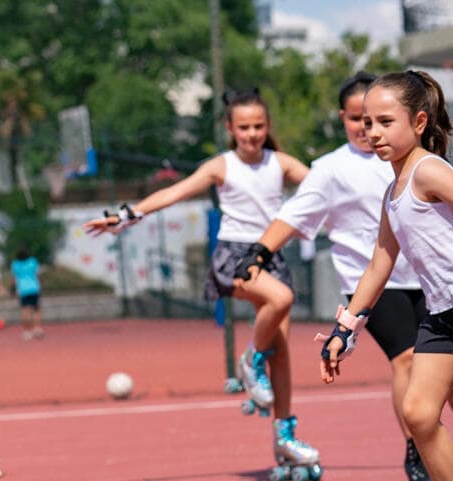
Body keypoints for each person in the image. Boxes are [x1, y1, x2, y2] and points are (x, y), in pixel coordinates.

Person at [240, 72, 453, 480]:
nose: (373, 132)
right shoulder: (392, 192)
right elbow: (378, 265)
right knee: (418, 415)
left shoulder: (428, 171)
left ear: (419, 123)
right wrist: (345, 327)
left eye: (386, 122)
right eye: (368, 123)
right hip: (442, 315)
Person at [83, 87, 315, 477]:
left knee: (283, 354)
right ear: (230, 128)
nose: (252, 134)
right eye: (244, 127)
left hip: (270, 254)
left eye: (259, 126)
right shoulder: (221, 166)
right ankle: (249, 360)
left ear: (268, 126)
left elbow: (324, 188)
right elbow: (174, 192)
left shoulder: (281, 164)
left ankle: (284, 437)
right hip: (236, 257)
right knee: (282, 300)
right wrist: (126, 215)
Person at [10, 249, 43, 340]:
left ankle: (27, 332)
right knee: (36, 309)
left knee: (25, 311)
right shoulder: (33, 261)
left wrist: (12, 289)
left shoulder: (15, 264)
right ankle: (37, 329)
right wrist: (40, 285)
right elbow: (37, 274)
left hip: (23, 289)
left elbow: (14, 278)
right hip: (34, 288)